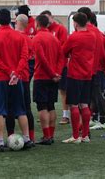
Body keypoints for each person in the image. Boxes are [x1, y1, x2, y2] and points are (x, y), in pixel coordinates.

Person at [0, 9, 34, 151]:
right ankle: (27, 139)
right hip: (17, 79)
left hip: (2, 78)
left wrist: (9, 73)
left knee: (0, 111)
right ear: (10, 20)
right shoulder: (19, 36)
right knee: (20, 110)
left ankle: (1, 142)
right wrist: (16, 73)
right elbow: (24, 57)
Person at [61, 12, 96, 144]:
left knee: (74, 105)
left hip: (75, 74)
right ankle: (85, 135)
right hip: (87, 74)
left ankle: (75, 136)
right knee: (85, 104)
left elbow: (64, 51)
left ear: (75, 23)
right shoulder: (92, 36)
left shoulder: (74, 37)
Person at [32, 15, 63, 145]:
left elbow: (41, 59)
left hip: (42, 76)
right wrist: (57, 73)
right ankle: (51, 135)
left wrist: (51, 73)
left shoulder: (37, 38)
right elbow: (61, 57)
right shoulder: (54, 38)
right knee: (51, 106)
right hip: (53, 77)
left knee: (42, 106)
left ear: (37, 24)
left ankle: (46, 136)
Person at [7, 14, 35, 142]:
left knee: (11, 108)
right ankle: (30, 137)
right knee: (26, 108)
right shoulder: (30, 39)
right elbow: (31, 59)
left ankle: (10, 136)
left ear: (17, 22)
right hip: (24, 77)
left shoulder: (14, 37)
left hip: (13, 76)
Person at [40, 10, 70, 125]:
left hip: (59, 65)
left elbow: (63, 48)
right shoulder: (44, 31)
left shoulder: (60, 29)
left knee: (63, 90)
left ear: (52, 17)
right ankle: (45, 113)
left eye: (48, 18)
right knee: (47, 90)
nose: (47, 21)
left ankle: (66, 115)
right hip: (47, 66)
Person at [89, 13, 105, 130]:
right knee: (93, 95)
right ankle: (96, 117)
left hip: (97, 69)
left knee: (98, 94)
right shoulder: (98, 34)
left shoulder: (96, 34)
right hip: (95, 68)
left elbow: (103, 53)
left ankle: (102, 119)